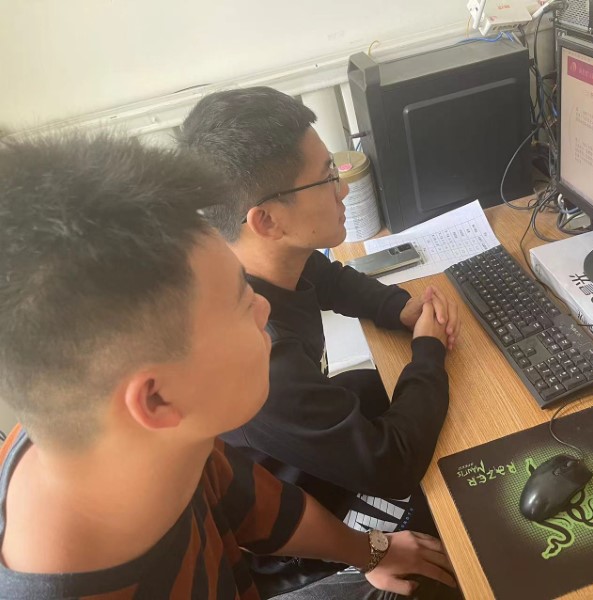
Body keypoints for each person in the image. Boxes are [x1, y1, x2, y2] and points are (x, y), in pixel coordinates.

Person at [0, 133, 456, 599]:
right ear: (157, 399)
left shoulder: (150, 440)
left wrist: (372, 551)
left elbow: (258, 506)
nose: (265, 308)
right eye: (242, 304)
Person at [179, 87, 461, 595]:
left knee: (379, 390)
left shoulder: (244, 257)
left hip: (292, 462)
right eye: (328, 177)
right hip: (293, 547)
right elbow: (392, 465)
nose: (344, 190)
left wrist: (395, 307)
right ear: (267, 220)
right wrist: (428, 350)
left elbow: (323, 275)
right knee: (462, 532)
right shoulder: (257, 355)